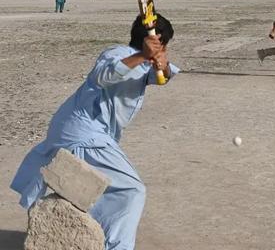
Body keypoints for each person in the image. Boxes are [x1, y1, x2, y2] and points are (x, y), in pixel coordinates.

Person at [11, 14, 178, 250]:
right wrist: (142, 55)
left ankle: (92, 238)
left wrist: (164, 65)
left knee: (105, 191)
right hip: (82, 132)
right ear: (153, 41)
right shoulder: (117, 54)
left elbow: (161, 78)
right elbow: (101, 76)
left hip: (87, 133)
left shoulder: (144, 63)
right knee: (132, 190)